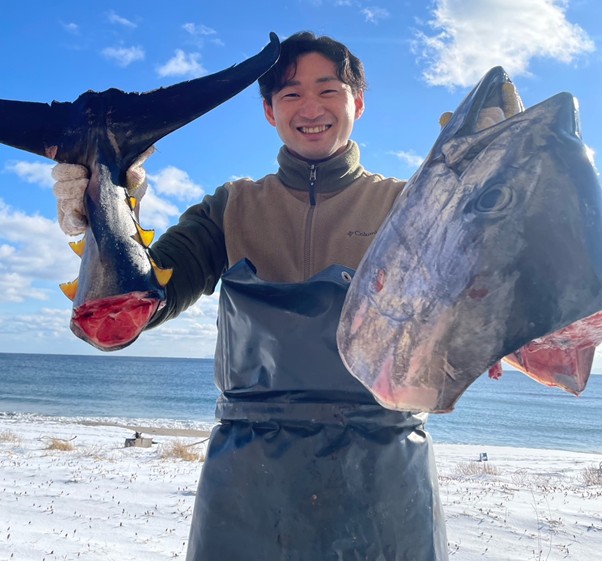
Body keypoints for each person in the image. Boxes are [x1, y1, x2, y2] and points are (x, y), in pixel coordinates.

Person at [53, 31, 518, 561]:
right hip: (248, 481)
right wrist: (104, 200)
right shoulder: (230, 207)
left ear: (358, 104)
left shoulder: (412, 206)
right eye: (292, 94)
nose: (311, 108)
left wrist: (500, 187)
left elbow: (484, 299)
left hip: (385, 476)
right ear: (270, 111)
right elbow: (138, 309)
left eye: (328, 90)